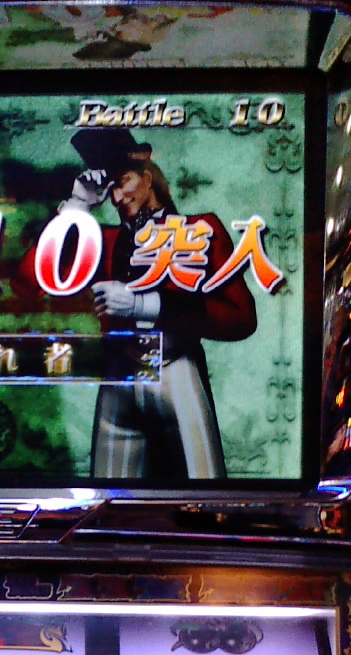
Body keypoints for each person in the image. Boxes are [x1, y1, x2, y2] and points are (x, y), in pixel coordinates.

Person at [62, 128, 257, 480]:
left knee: (204, 491)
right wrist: (78, 204)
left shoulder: (200, 229)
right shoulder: (103, 240)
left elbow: (241, 318)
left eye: (124, 181)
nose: (117, 197)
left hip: (176, 369)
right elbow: (40, 275)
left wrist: (147, 305)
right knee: (107, 501)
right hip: (119, 377)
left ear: (147, 178)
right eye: (110, 188)